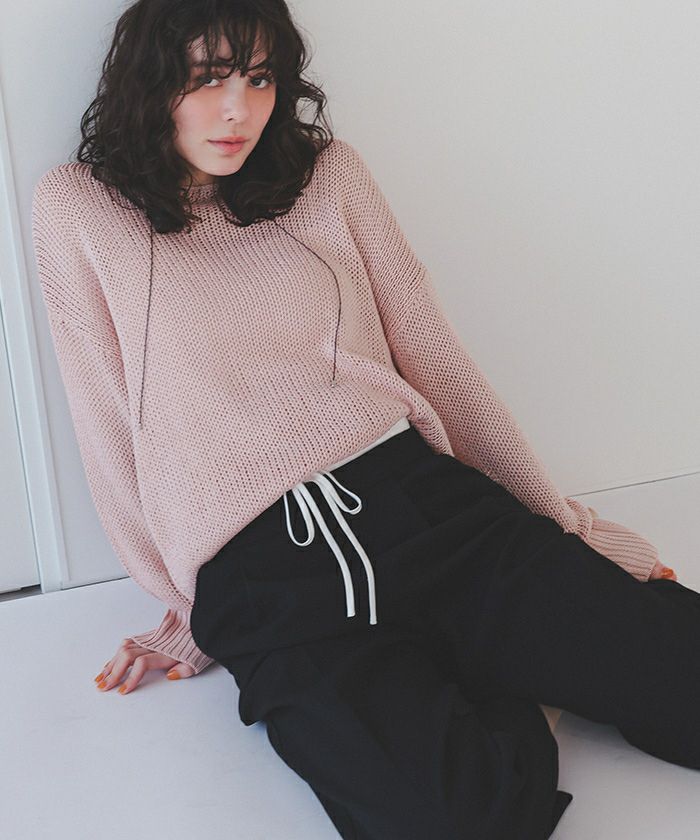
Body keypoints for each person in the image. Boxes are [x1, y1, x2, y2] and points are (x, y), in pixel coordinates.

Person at [31, 1, 697, 838]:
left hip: (423, 505)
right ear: (150, 78)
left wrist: (570, 530)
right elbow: (107, 425)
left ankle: (499, 652)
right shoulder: (80, 207)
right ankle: (496, 676)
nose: (238, 110)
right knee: (453, 822)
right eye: (206, 78)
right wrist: (186, 612)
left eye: (259, 78)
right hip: (266, 580)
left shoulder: (328, 177)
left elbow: (436, 360)